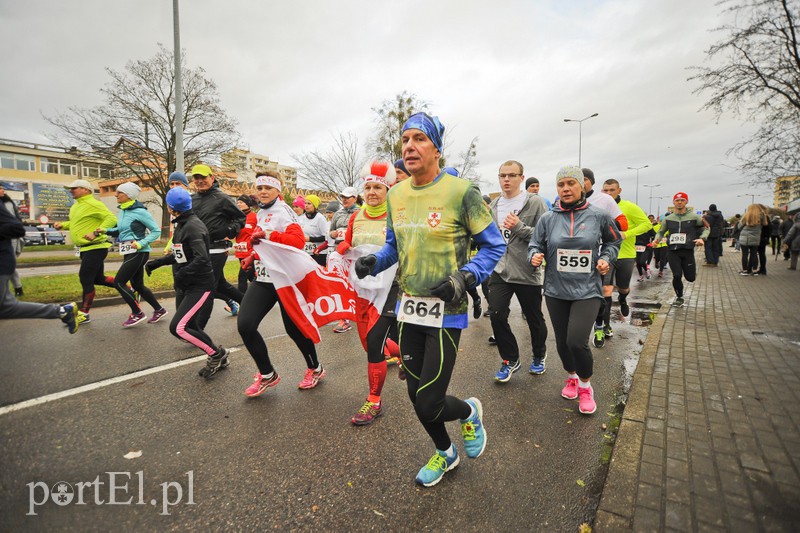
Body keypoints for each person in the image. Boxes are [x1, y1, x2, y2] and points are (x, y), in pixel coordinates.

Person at [354, 112, 505, 487]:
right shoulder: (396, 195)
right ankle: (445, 453)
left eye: (419, 139)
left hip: (446, 312)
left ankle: (469, 411)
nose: (409, 146)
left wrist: (466, 277)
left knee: (429, 401)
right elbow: (395, 247)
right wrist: (375, 261)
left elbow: (494, 244)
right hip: (409, 308)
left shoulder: (461, 192)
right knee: (414, 393)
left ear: (436, 148)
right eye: (405, 140)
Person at [528, 165, 621, 415]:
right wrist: (535, 255)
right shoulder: (548, 218)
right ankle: (571, 376)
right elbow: (535, 243)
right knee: (561, 343)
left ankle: (586, 386)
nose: (566, 189)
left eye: (571, 183)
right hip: (556, 290)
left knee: (576, 341)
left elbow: (614, 240)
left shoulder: (598, 216)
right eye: (561, 185)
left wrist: (606, 258)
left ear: (582, 186)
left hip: (587, 290)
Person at [237, 172, 327, 396]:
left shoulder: (284, 211)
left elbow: (297, 242)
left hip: (286, 281)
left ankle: (315, 368)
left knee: (294, 330)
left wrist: (269, 234)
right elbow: (266, 246)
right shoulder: (260, 212)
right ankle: (268, 374)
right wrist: (253, 257)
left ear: (278, 190)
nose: (263, 192)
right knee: (245, 325)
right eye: (260, 188)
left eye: (268, 187)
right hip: (265, 279)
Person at [336, 161, 400, 424]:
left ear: (388, 190)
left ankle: (374, 400)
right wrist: (343, 245)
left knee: (374, 343)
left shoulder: (397, 215)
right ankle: (403, 354)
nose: (372, 192)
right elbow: (349, 242)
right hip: (363, 286)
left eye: (378, 187)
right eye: (368, 187)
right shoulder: (355, 215)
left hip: (391, 286)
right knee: (375, 340)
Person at [145, 188, 229, 377]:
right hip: (189, 284)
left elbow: (202, 259)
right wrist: (157, 263)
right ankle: (220, 354)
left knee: (178, 328)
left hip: (200, 285)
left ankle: (216, 355)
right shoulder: (183, 224)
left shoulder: (193, 226)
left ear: (171, 208)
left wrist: (182, 274)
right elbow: (180, 254)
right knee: (192, 327)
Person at [487, 160, 549, 381]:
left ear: (522, 178)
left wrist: (519, 227)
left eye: (512, 175)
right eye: (502, 175)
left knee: (534, 318)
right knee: (496, 314)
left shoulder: (535, 203)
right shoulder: (494, 205)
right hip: (501, 270)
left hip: (526, 270)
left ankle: (539, 355)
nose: (506, 180)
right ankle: (510, 359)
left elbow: (545, 236)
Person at [93, 182, 167, 326]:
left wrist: (140, 243)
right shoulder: (124, 211)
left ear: (128, 195)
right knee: (138, 285)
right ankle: (159, 309)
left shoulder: (140, 211)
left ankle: (137, 313)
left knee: (118, 282)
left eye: (119, 192)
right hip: (129, 251)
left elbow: (156, 231)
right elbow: (122, 231)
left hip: (139, 251)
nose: (115, 195)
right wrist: (106, 230)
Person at [0, 203, 79, 333]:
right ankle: (63, 311)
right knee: (5, 307)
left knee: (5, 307)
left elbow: (17, 228)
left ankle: (62, 311)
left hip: (2, 262)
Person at [594, 179, 652, 346]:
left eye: (612, 190)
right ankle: (605, 325)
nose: (608, 193)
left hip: (625, 254)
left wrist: (627, 234)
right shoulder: (599, 207)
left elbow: (647, 224)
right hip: (606, 256)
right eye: (605, 190)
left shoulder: (629, 207)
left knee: (623, 286)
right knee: (605, 289)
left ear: (619, 190)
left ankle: (623, 298)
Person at [54, 179, 118, 323]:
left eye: (74, 188)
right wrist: (62, 225)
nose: (71, 191)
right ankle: (128, 289)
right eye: (70, 188)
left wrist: (96, 233)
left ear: (85, 190)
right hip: (85, 248)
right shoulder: (76, 206)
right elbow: (77, 223)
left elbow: (112, 218)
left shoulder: (93, 203)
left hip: (96, 247)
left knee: (85, 278)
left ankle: (84, 313)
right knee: (98, 279)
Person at [189, 164, 245, 323]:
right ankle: (247, 304)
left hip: (217, 249)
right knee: (220, 285)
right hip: (198, 249)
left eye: (203, 177)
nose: (200, 181)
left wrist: (228, 231)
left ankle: (198, 328)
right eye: (196, 178)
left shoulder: (222, 198)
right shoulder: (192, 199)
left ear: (212, 178)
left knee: (207, 289)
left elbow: (241, 218)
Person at [581, 170, 628, 348]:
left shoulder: (604, 200)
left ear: (591, 182)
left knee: (599, 294)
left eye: (584, 179)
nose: (579, 183)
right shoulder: (563, 199)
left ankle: (599, 326)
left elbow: (623, 223)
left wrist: (603, 225)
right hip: (573, 258)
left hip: (597, 258)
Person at [654, 192, 709, 306]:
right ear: (673, 202)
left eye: (682, 200)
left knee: (690, 278)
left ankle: (690, 272)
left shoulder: (695, 217)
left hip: (687, 250)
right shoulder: (668, 218)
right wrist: (656, 240)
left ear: (686, 202)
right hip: (673, 251)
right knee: (677, 275)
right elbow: (661, 232)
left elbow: (706, 228)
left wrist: (702, 239)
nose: (679, 202)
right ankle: (679, 297)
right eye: (677, 200)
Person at [329, 186, 360, 333]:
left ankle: (360, 313)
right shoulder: (338, 214)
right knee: (340, 284)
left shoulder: (361, 212)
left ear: (355, 198)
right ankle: (344, 319)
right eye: (343, 197)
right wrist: (333, 234)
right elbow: (330, 233)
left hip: (355, 254)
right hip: (339, 253)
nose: (344, 199)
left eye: (348, 197)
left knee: (356, 285)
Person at [0, 184, 24, 296]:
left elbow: (13, 222)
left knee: (9, 262)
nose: (2, 190)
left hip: (8, 238)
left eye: (2, 188)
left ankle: (18, 288)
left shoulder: (7, 203)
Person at [233, 194, 258, 294]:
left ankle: (241, 301)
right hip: (240, 252)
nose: (238, 204)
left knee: (242, 277)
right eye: (237, 202)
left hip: (250, 252)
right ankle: (261, 296)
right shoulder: (236, 218)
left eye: (241, 202)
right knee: (251, 277)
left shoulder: (254, 217)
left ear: (248, 204)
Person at [736, 203, 768, 276]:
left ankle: (745, 270)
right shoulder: (762, 216)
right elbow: (765, 224)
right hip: (756, 238)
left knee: (745, 255)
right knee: (753, 254)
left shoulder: (746, 216)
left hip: (745, 238)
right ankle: (753, 270)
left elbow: (739, 227)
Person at [299, 194, 329, 266]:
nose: (306, 205)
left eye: (309, 204)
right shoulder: (301, 218)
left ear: (315, 206)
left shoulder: (320, 218)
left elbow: (326, 238)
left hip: (319, 254)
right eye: (305, 203)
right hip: (306, 252)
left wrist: (310, 239)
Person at [635, 215, 657, 282]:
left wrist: (652, 242)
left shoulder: (648, 227)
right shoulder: (635, 227)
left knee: (642, 261)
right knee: (638, 263)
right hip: (637, 247)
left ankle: (647, 271)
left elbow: (655, 235)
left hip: (646, 247)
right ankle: (641, 276)